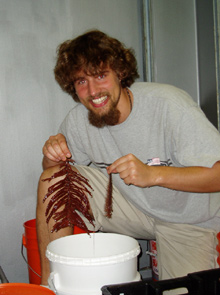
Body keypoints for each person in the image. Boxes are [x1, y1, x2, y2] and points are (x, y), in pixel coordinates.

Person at [36, 30, 220, 290]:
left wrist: (153, 175)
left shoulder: (169, 104)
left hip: (188, 221)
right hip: (134, 208)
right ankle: (48, 287)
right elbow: (53, 175)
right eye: (81, 81)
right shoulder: (78, 120)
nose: (93, 91)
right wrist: (50, 157)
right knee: (53, 177)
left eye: (100, 75)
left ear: (120, 73)